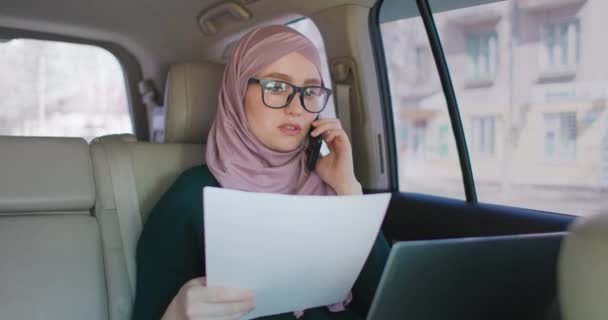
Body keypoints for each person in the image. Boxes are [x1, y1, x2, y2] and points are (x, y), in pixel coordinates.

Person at [132, 25, 390, 320]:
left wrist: (348, 192)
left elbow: (389, 301)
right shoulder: (193, 195)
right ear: (237, 92)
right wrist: (176, 315)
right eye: (277, 87)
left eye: (311, 91)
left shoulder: (331, 187)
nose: (297, 108)